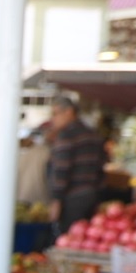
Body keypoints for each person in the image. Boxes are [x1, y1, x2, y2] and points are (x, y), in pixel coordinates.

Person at [46, 95, 102, 232]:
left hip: (72, 198)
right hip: (92, 196)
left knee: (68, 236)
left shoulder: (66, 135)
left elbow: (61, 169)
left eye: (55, 114)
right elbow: (100, 168)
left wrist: (56, 201)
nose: (52, 119)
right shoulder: (92, 134)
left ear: (69, 112)